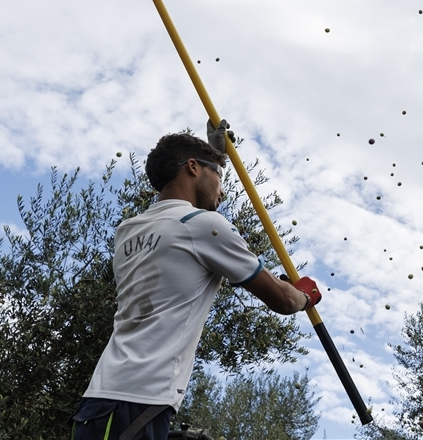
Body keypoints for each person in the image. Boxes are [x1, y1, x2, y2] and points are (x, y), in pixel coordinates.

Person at [70, 123, 321, 440]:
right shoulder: (201, 226)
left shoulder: (130, 230)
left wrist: (216, 160)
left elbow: (189, 223)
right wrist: (305, 295)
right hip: (140, 398)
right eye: (218, 176)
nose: (223, 189)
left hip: (109, 398)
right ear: (191, 167)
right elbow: (282, 301)